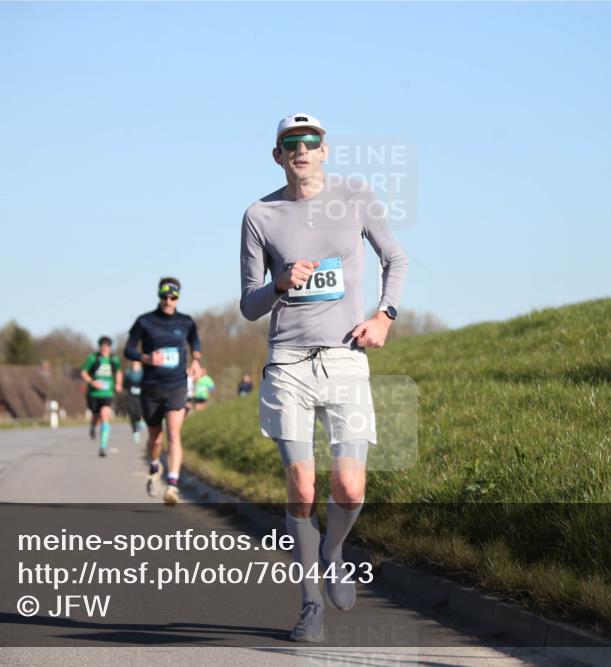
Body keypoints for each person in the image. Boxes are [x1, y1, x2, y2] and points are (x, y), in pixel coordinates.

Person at [239, 113, 407, 642]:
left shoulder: (355, 196)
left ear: (324, 150)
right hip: (287, 363)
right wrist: (279, 284)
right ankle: (310, 602)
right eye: (291, 143)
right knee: (302, 487)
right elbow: (248, 304)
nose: (301, 150)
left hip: (345, 358)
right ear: (278, 155)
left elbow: (395, 259)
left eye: (310, 142)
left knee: (350, 489)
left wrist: (384, 316)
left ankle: (333, 551)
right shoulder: (259, 215)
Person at [124, 277, 202, 505]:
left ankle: (172, 485)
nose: (168, 300)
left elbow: (195, 342)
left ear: (178, 297)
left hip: (176, 386)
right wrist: (145, 358)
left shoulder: (186, 321)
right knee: (156, 439)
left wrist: (196, 360)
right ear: (159, 295)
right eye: (164, 296)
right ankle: (154, 465)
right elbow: (128, 349)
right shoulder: (145, 321)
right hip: (151, 388)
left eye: (173, 296)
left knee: (174, 435)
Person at [80, 336, 123, 457]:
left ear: (110, 347)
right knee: (95, 416)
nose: (105, 349)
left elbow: (118, 372)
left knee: (104, 415)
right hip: (93, 393)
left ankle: (103, 446)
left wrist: (118, 384)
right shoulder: (93, 358)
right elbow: (83, 372)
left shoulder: (114, 359)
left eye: (107, 347)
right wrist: (92, 382)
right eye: (102, 347)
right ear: (99, 347)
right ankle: (93, 426)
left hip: (107, 393)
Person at [124, 360, 146, 443]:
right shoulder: (128, 373)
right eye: (133, 364)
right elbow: (125, 385)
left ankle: (140, 421)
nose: (135, 366)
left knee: (139, 412)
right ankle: (135, 433)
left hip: (141, 396)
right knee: (132, 414)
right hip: (131, 396)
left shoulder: (143, 373)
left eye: (136, 364)